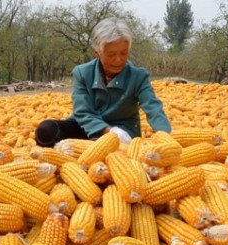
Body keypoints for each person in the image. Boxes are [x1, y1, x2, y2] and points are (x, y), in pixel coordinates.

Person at [35, 18, 172, 148]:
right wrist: (108, 131)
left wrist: (166, 137)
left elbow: (153, 108)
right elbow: (83, 112)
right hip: (87, 127)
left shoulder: (138, 76)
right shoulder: (82, 73)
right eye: (111, 54)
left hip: (123, 134)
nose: (118, 60)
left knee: (111, 149)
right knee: (46, 130)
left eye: (124, 53)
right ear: (97, 53)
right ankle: (86, 148)